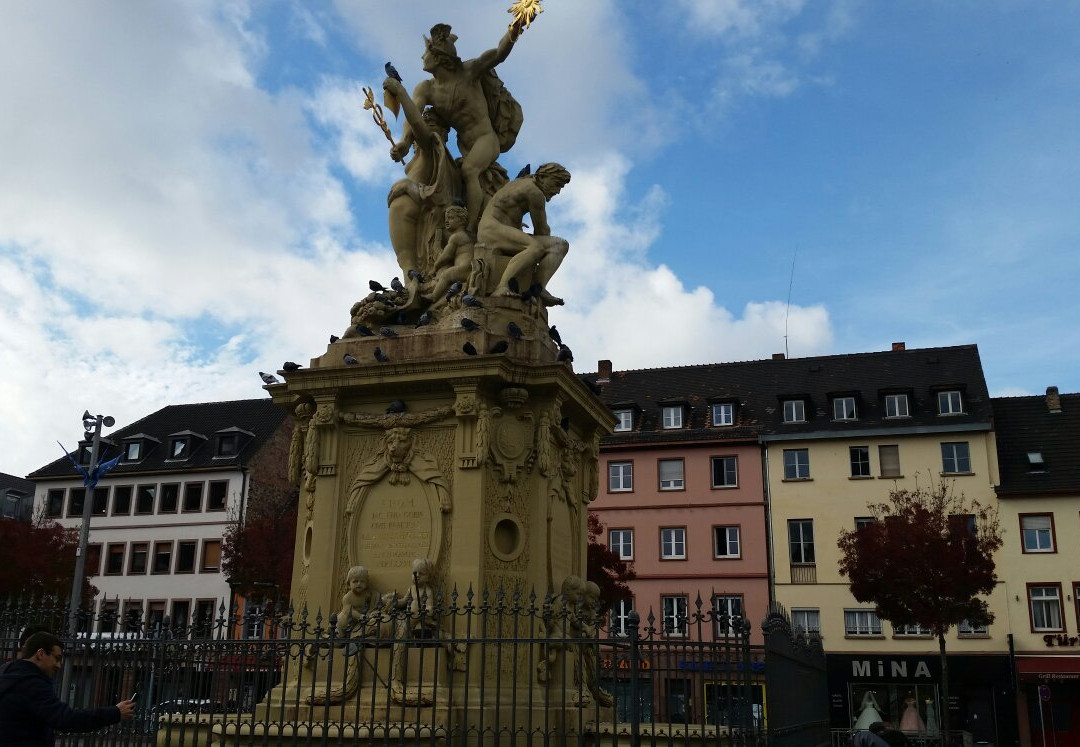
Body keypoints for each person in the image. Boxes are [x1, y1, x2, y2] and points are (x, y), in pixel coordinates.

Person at [397, 22, 523, 233]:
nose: (421, 57)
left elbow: (499, 53)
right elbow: (413, 115)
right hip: (465, 143)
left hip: (486, 139)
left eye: (425, 53)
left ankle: (472, 226)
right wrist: (404, 141)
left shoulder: (469, 72)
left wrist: (515, 28)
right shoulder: (426, 89)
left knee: (469, 170)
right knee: (459, 171)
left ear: (438, 58)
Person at [0, 631, 134, 747]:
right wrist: (114, 713)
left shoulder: (6, 673)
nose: (58, 666)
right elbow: (66, 719)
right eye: (57, 658)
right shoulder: (32, 683)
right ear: (40, 653)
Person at [477, 163, 571, 305]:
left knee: (560, 245)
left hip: (502, 230)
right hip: (490, 230)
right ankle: (502, 286)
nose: (557, 191)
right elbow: (541, 229)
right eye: (557, 184)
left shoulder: (523, 182)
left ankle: (537, 288)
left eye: (561, 187)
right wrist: (544, 244)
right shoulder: (534, 192)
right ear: (543, 177)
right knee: (536, 248)